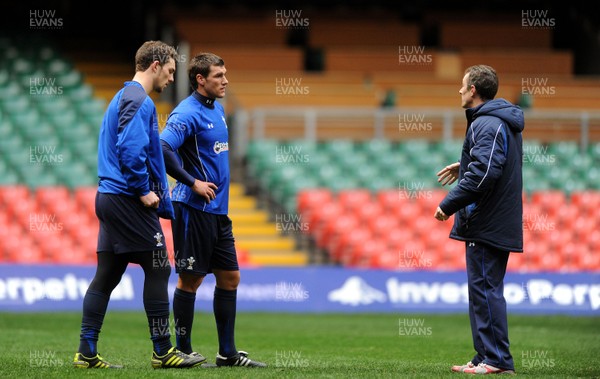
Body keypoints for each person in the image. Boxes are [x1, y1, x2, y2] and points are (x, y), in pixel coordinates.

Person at [74, 40, 205, 369]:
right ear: (155, 65)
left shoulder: (121, 97)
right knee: (159, 266)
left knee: (106, 275)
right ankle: (163, 350)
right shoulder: (140, 100)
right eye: (171, 71)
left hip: (108, 196)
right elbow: (131, 148)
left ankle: (86, 352)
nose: (173, 78)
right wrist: (143, 189)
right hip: (127, 197)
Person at [160, 52, 267, 368]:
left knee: (230, 277)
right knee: (190, 280)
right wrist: (193, 182)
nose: (225, 80)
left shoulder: (218, 110)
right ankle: (182, 350)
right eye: (218, 76)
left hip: (218, 212)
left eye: (225, 74)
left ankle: (228, 354)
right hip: (193, 208)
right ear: (200, 79)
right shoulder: (186, 113)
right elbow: (163, 147)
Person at [434, 64, 523, 375]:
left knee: (485, 289)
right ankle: (485, 354)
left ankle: (497, 360)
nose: (459, 91)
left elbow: (484, 174)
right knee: (482, 289)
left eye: (462, 86)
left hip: (488, 219)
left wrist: (449, 203)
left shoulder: (486, 123)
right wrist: (466, 162)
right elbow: (490, 163)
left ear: (473, 90)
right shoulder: (496, 122)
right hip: (492, 218)